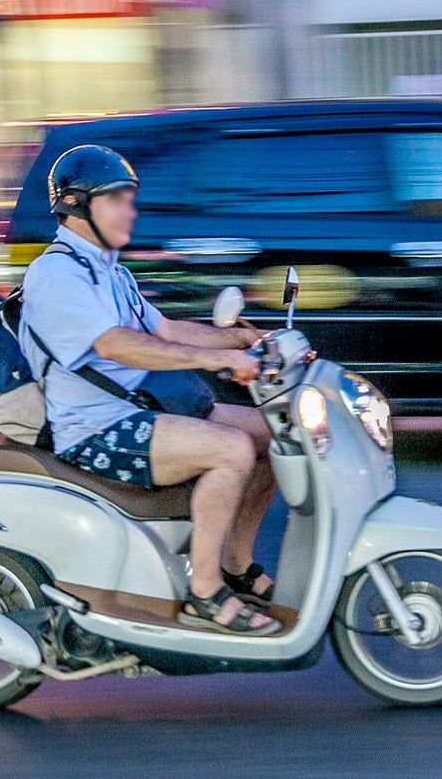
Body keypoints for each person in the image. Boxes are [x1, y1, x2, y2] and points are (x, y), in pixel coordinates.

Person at [19, 145, 281, 637]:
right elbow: (115, 344)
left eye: (130, 199)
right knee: (231, 450)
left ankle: (234, 564)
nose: (129, 210)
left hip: (137, 410)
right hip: (95, 429)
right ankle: (204, 592)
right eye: (116, 199)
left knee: (277, 433)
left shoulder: (110, 271)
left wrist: (245, 340)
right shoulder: (57, 274)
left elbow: (165, 330)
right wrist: (216, 360)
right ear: (76, 204)